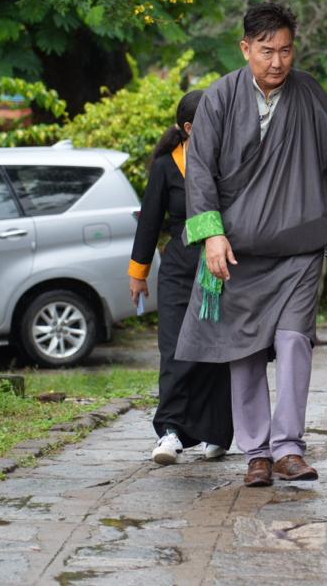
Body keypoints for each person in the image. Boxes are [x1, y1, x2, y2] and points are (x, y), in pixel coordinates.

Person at [174, 2, 327, 488]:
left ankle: (289, 448)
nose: (277, 62)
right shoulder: (219, 98)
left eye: (286, 50)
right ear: (245, 48)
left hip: (300, 249)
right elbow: (199, 172)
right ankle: (257, 452)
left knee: (294, 345)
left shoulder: (308, 92)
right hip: (239, 252)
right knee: (242, 351)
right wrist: (212, 236)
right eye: (266, 51)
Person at [129, 90, 234, 465]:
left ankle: (216, 433)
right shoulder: (165, 166)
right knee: (174, 349)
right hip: (177, 268)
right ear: (189, 128)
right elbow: (150, 223)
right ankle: (170, 431)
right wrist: (138, 274)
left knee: (215, 352)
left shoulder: (228, 161)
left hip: (218, 269)